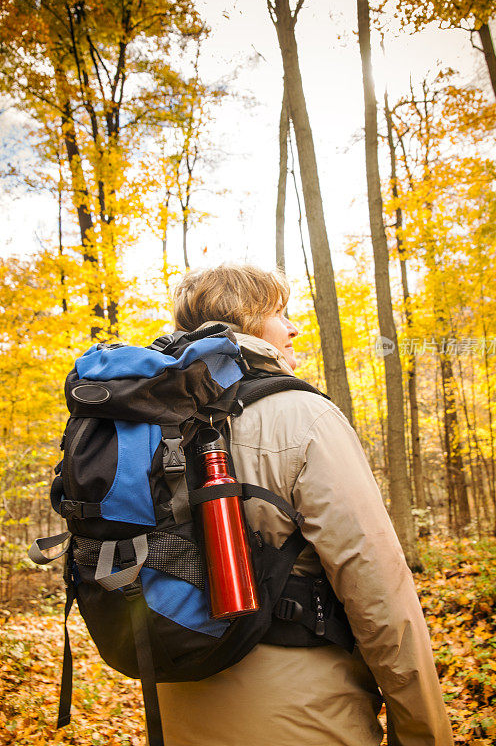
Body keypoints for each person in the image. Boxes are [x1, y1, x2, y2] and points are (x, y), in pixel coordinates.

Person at [157, 263, 454, 746]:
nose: (293, 327)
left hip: (179, 705)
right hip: (303, 714)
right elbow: (378, 589)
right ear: (246, 321)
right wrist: (424, 731)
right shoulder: (301, 415)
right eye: (279, 312)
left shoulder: (154, 420)